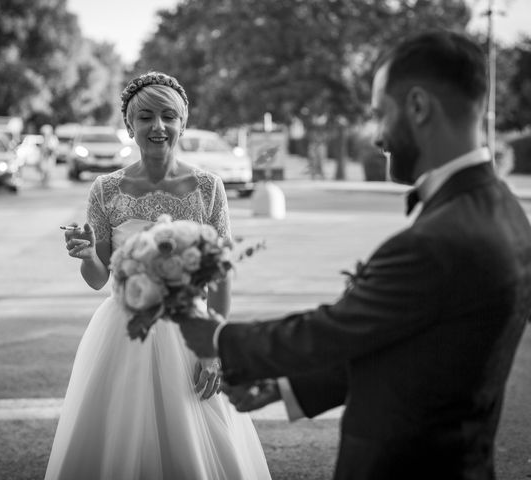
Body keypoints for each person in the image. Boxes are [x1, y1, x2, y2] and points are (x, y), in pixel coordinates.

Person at [177, 29, 531, 480]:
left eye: (381, 115)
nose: (378, 137)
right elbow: (412, 346)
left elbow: (333, 330)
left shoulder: (438, 241)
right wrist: (288, 388)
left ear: (419, 107)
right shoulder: (504, 211)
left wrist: (219, 339)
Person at [45, 72, 271, 480]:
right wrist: (85, 254)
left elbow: (220, 275)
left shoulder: (208, 187)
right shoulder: (105, 189)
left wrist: (214, 346)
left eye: (168, 116)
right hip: (122, 332)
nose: (158, 126)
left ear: (183, 122)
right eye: (145, 117)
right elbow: (99, 278)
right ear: (129, 125)